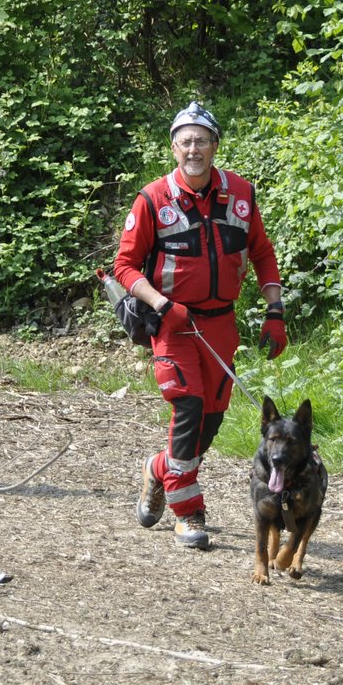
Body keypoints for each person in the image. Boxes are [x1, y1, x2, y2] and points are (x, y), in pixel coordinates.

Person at [112, 101, 287, 549]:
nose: (194, 149)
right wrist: (161, 303)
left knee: (210, 422)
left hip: (221, 326)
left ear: (215, 146)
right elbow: (125, 268)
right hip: (173, 325)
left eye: (202, 140)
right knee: (187, 410)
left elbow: (262, 252)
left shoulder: (242, 194)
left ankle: (159, 470)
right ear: (174, 147)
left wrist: (275, 311)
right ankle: (188, 512)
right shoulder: (152, 199)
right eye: (186, 141)